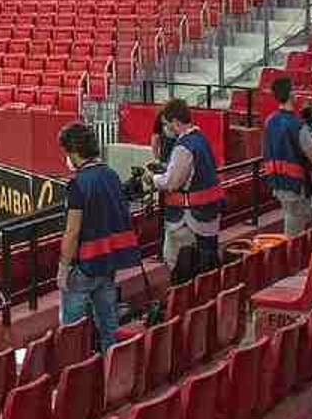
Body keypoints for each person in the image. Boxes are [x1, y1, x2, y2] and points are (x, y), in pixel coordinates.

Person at [57, 123, 141, 353]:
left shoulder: (77, 184)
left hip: (85, 266)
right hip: (108, 262)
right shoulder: (110, 174)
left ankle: (74, 376)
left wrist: (63, 268)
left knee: (70, 333)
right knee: (109, 326)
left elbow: (72, 231)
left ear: (73, 151)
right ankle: (110, 369)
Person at [150, 100, 222, 282]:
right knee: (207, 265)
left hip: (188, 219)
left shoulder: (183, 147)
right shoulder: (200, 138)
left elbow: (171, 183)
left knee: (182, 266)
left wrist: (152, 178)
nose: (166, 129)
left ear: (175, 122)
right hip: (207, 213)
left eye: (166, 124)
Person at [261, 77, 312, 235]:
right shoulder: (297, 125)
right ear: (290, 94)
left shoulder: (269, 121)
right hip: (295, 185)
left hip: (277, 181)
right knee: (295, 228)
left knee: (296, 215)